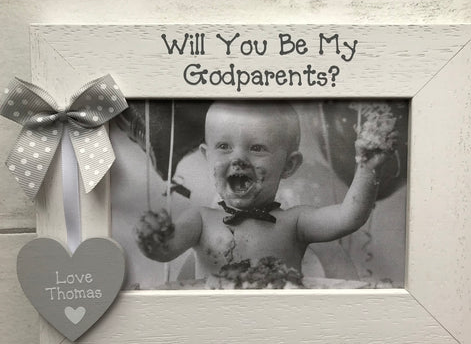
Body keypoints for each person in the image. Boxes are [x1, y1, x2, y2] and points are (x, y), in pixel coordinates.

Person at [136, 101, 396, 279]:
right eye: (224, 146)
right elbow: (165, 250)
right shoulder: (200, 221)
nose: (238, 158)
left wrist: (367, 168)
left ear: (288, 165)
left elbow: (349, 217)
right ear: (207, 156)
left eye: (257, 148)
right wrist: (152, 238)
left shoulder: (295, 222)